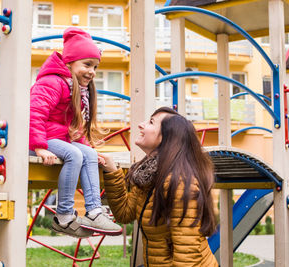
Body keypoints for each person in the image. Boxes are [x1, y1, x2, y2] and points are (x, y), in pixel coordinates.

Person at [29, 27, 122, 238]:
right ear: (69, 63)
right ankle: (64, 216)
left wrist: (91, 150)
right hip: (40, 139)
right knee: (75, 154)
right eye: (87, 64)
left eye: (95, 66)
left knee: (86, 154)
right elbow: (34, 114)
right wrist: (40, 148)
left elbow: (76, 127)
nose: (92, 71)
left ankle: (94, 211)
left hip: (59, 140)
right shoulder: (52, 83)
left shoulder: (76, 89)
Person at [99, 107, 218, 266]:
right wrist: (112, 170)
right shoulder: (148, 176)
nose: (141, 125)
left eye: (151, 122)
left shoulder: (180, 182)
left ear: (166, 138)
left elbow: (187, 256)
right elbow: (124, 213)